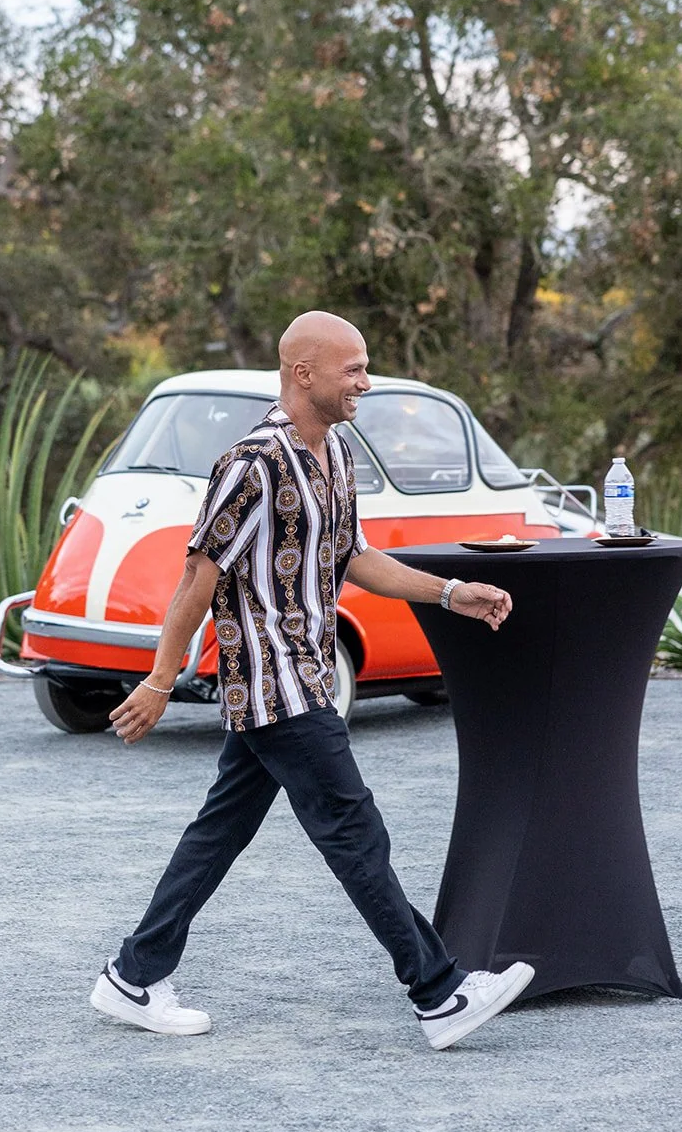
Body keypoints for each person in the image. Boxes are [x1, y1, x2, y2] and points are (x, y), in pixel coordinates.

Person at [90, 311, 533, 1051]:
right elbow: (197, 577)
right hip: (274, 687)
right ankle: (439, 992)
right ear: (302, 373)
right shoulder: (252, 463)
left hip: (304, 676)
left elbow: (354, 557)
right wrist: (160, 681)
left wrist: (452, 592)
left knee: (218, 833)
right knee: (355, 830)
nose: (365, 382)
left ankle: (133, 975)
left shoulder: (334, 451)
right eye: (352, 369)